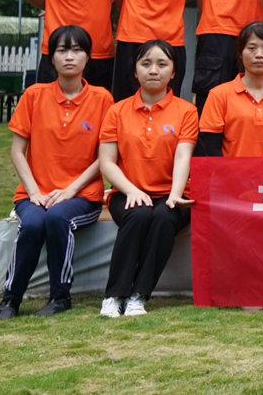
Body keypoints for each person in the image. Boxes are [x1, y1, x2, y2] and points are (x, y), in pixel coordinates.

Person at [0, 26, 110, 321]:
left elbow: (105, 158)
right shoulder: (34, 95)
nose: (69, 57)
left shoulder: (102, 99)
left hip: (82, 195)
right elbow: (17, 152)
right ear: (51, 57)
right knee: (33, 224)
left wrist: (70, 190)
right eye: (62, 50)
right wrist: (34, 192)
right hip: (35, 193)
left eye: (77, 50)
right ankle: (11, 299)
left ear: (88, 57)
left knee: (58, 217)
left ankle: (60, 297)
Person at [96, 40, 196, 317]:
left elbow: (183, 156)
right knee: (138, 215)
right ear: (135, 71)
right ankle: (114, 295)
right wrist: (131, 190)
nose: (154, 70)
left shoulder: (187, 111)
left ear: (173, 72)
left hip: (173, 193)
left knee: (164, 217)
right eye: (146, 64)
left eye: (162, 64)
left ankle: (138, 296)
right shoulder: (117, 111)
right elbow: (107, 162)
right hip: (126, 192)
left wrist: (175, 194)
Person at [197, 21, 263, 159]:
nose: (259, 54)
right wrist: (230, 170)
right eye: (252, 48)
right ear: (240, 53)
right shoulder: (219, 94)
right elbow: (211, 149)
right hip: (232, 172)